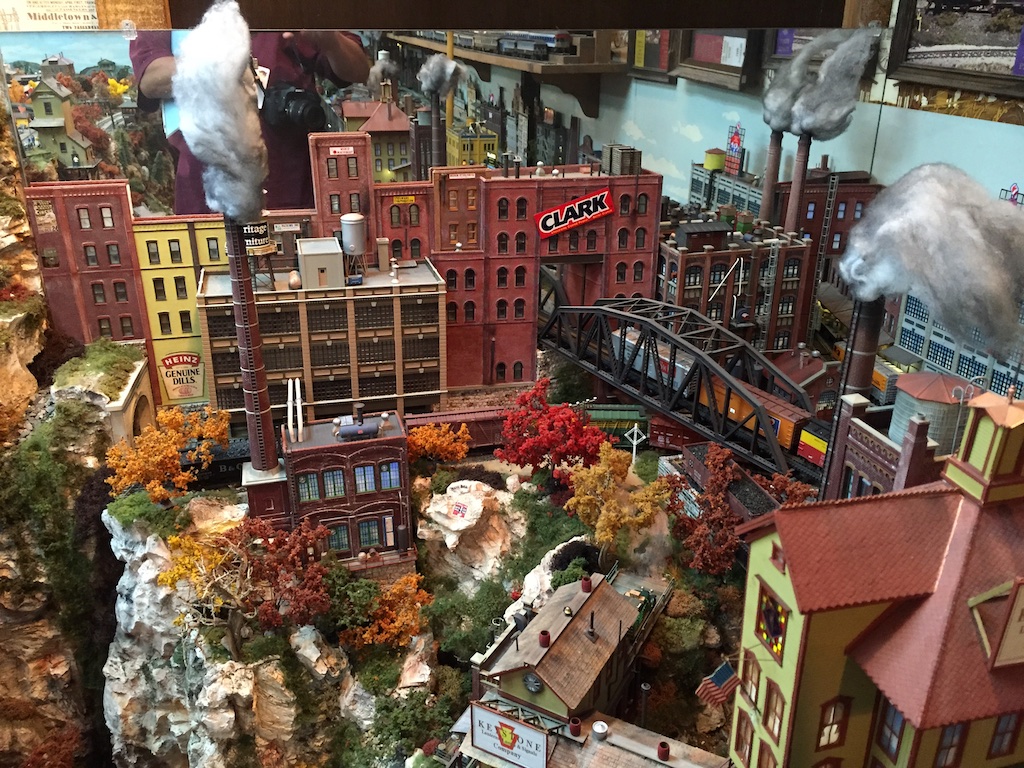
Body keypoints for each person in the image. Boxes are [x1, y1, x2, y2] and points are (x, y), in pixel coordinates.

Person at [131, 31, 369, 213]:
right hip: (206, 185)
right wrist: (223, 67)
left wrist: (330, 41)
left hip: (288, 181)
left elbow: (358, 70)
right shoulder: (169, 10)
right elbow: (151, 79)